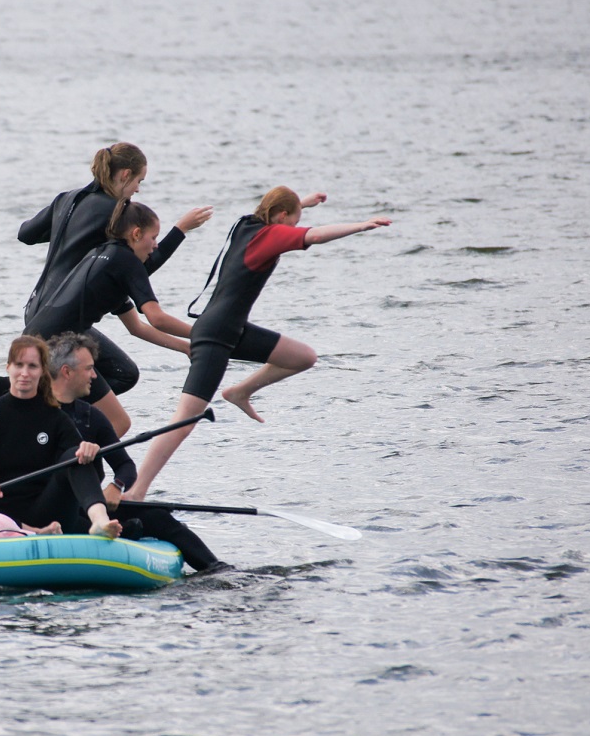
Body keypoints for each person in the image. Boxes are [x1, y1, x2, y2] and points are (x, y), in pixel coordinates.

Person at [123, 187, 392, 501]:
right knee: (184, 420)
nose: (290, 231)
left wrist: (302, 203)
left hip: (232, 328)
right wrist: (360, 225)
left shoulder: (247, 224)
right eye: (292, 221)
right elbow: (315, 236)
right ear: (279, 217)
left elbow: (273, 211)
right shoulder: (268, 235)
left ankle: (240, 391)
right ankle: (137, 492)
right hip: (216, 336)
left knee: (303, 357)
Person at [18, 142, 213, 422]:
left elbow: (25, 233)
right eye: (138, 181)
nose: (137, 190)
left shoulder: (67, 199)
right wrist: (180, 230)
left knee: (120, 373)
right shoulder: (116, 217)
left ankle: (59, 416)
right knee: (121, 375)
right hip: (65, 313)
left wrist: (68, 230)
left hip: (36, 308)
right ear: (124, 175)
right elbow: (140, 269)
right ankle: (58, 420)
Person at [46, 332, 228, 574]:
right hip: (49, 508)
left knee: (158, 515)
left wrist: (117, 485)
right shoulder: (35, 414)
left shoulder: (91, 416)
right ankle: (127, 531)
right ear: (67, 372)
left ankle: (216, 569)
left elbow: (125, 465)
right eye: (90, 369)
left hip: (92, 506)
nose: (94, 375)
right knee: (109, 521)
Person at [26, 199, 197, 436]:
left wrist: (186, 347)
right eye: (154, 237)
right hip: (54, 343)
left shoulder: (106, 257)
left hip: (42, 336)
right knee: (119, 423)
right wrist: (204, 333)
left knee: (125, 373)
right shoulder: (125, 263)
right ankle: (67, 456)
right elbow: (156, 318)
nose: (156, 246)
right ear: (136, 234)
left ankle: (59, 417)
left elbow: (137, 327)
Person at [0, 335, 121, 538]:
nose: (24, 373)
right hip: (2, 513)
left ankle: (100, 521)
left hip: (49, 511)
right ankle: (30, 532)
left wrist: (89, 451)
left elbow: (86, 471)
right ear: (8, 368)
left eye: (32, 366)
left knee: (74, 454)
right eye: (19, 365)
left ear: (42, 372)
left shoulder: (57, 417)